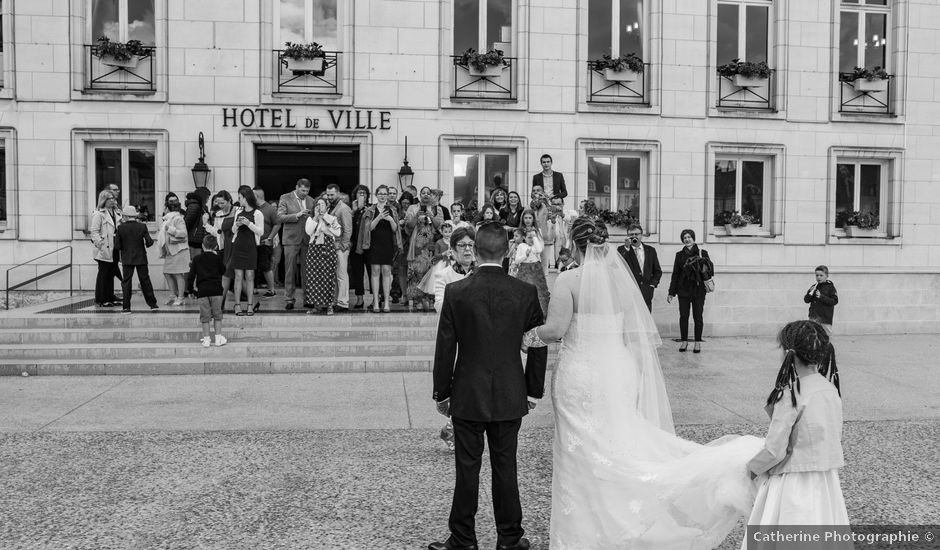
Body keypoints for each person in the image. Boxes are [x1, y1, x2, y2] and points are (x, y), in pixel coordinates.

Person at [525, 216, 764, 550]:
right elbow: (629, 333)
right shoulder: (620, 281)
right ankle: (625, 518)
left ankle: (585, 532)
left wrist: (525, 338)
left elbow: (554, 330)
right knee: (620, 440)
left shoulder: (568, 280)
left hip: (581, 374)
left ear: (575, 244)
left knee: (581, 450)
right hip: (618, 370)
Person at [429, 222, 547, 550]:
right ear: (507, 250)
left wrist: (442, 393)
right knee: (505, 466)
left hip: (467, 392)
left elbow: (445, 346)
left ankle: (463, 539)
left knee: (467, 468)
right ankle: (510, 538)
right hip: (511, 392)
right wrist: (533, 390)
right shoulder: (525, 293)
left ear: (476, 252)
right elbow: (538, 343)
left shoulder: (457, 292)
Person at [744, 320, 847, 538]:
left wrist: (752, 469)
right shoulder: (830, 390)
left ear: (787, 353)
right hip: (826, 480)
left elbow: (775, 450)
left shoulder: (791, 395)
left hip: (792, 482)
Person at [667, 229, 713, 353]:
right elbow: (675, 274)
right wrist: (671, 292)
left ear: (693, 238)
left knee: (698, 316)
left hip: (698, 290)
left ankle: (697, 342)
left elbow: (710, 270)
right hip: (683, 290)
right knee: (683, 316)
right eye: (684, 238)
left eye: (689, 237)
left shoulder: (702, 252)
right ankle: (684, 342)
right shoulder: (679, 255)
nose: (687, 239)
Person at [357, 185, 400, 313]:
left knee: (386, 271)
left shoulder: (393, 210)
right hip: (374, 244)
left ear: (387, 196)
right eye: (380, 193)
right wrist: (379, 217)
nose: (382, 196)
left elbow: (395, 229)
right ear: (376, 195)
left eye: (384, 194)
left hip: (387, 244)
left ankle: (386, 302)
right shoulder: (370, 210)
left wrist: (390, 219)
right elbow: (368, 229)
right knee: (375, 271)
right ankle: (375, 301)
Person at [276, 179, 315, 310]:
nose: (305, 193)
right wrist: (297, 215)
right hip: (291, 239)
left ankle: (308, 298)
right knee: (289, 271)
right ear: (296, 187)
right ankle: (289, 299)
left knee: (308, 271)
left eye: (307, 191)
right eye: (302, 190)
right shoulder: (285, 197)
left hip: (307, 239)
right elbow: (280, 217)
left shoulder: (311, 200)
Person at [113, 205, 158, 313]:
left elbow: (117, 246)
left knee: (126, 281)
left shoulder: (121, 228)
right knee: (145, 280)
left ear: (126, 216)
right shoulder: (142, 226)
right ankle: (153, 305)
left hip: (127, 258)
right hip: (141, 257)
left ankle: (126, 307)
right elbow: (149, 242)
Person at [303, 196, 342, 315]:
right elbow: (309, 231)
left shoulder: (332, 218)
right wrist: (316, 217)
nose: (320, 207)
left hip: (328, 249)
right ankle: (316, 305)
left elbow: (338, 232)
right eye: (317, 205)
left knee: (328, 277)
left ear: (327, 206)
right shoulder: (311, 219)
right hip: (314, 249)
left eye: (322, 204)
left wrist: (324, 220)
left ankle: (330, 305)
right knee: (314, 278)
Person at [230, 186, 264, 316]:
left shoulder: (258, 213)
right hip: (238, 245)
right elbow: (233, 231)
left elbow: (261, 232)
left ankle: (250, 305)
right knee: (238, 276)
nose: (238, 200)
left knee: (250, 276)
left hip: (250, 246)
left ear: (245, 197)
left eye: (239, 197)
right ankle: (237, 305)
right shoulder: (238, 212)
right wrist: (237, 225)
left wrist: (249, 223)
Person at [617, 223, 662, 312]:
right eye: (631, 234)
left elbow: (657, 271)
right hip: (629, 295)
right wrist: (627, 248)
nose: (634, 236)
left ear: (641, 235)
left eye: (636, 234)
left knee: (646, 323)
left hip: (646, 293)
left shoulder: (651, 250)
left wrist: (652, 284)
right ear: (627, 236)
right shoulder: (622, 249)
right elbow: (618, 266)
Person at [192, 235, 227, 348]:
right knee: (217, 315)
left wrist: (190, 290)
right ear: (216, 246)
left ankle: (206, 339)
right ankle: (218, 338)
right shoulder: (217, 258)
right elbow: (223, 270)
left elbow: (191, 275)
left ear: (202, 245)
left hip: (202, 291)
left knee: (205, 317)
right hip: (216, 291)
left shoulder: (197, 259)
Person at [323, 184, 352, 313]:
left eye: (332, 195)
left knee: (341, 275)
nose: (329, 197)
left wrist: (343, 246)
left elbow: (348, 229)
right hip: (331, 246)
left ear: (338, 194)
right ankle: (336, 300)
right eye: (328, 195)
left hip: (340, 246)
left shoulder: (343, 208)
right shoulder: (330, 207)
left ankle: (343, 302)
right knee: (334, 276)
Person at [90, 190, 121, 307]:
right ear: (104, 200)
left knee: (111, 273)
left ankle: (110, 296)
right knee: (103, 273)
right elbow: (94, 232)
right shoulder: (99, 214)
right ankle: (101, 298)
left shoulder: (116, 212)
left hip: (115, 248)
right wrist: (101, 245)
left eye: (113, 198)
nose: (113, 200)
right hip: (105, 247)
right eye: (110, 198)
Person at [159, 193, 190, 306]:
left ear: (167, 208)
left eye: (165, 207)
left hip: (179, 250)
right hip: (171, 251)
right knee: (167, 272)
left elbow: (183, 233)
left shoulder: (177, 219)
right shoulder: (167, 219)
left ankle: (181, 297)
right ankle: (173, 295)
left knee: (178, 274)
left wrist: (170, 229)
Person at [511, 228, 550, 315]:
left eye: (532, 238)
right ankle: (524, 313)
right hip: (525, 270)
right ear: (524, 237)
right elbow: (517, 261)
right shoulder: (521, 246)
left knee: (539, 291)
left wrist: (535, 236)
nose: (531, 239)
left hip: (536, 269)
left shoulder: (535, 246)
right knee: (525, 292)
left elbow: (539, 250)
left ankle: (540, 313)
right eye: (529, 237)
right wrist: (525, 255)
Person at [183, 187, 211, 298]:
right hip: (194, 240)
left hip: (197, 239)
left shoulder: (200, 206)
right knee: (193, 265)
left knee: (195, 265)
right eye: (207, 197)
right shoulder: (195, 206)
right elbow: (187, 223)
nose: (208, 199)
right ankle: (189, 288)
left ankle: (191, 288)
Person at [253, 187, 280, 298]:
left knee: (266, 266)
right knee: (252, 266)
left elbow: (277, 224)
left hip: (264, 243)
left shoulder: (270, 209)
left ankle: (271, 289)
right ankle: (253, 288)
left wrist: (270, 238)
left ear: (256, 196)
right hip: (252, 242)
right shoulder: (252, 208)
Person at [349, 184, 372, 309]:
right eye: (360, 193)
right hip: (355, 245)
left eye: (364, 193)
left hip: (369, 245)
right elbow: (347, 225)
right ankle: (359, 299)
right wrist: (354, 211)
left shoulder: (372, 208)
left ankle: (375, 299)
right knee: (357, 272)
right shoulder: (350, 208)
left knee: (371, 271)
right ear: (355, 195)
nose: (362, 195)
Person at [529, 184, 554, 276]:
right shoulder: (528, 207)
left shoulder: (547, 207)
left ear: (543, 193)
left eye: (538, 190)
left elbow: (553, 218)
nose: (536, 192)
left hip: (545, 239)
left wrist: (547, 202)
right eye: (534, 190)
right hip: (532, 239)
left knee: (544, 265)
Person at [804, 265, 838, 334]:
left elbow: (834, 301)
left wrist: (821, 296)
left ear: (827, 276)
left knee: (825, 337)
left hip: (825, 319)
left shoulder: (830, 287)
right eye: (817, 275)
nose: (818, 277)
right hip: (813, 317)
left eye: (821, 275)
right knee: (813, 337)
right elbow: (806, 300)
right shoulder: (814, 286)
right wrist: (810, 293)